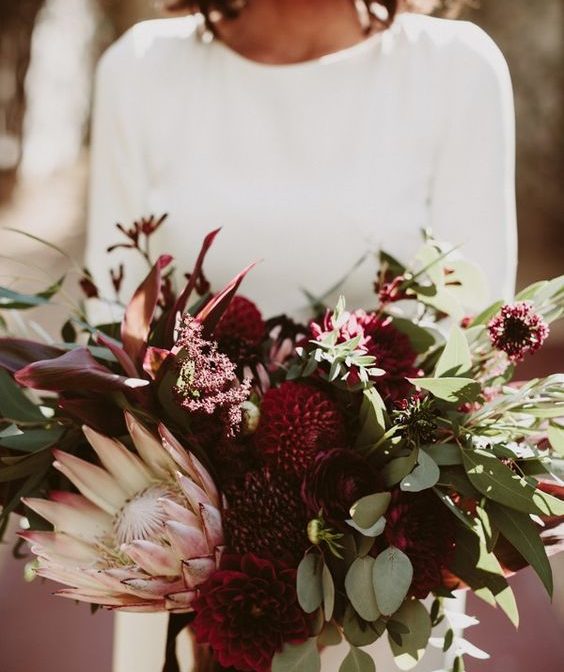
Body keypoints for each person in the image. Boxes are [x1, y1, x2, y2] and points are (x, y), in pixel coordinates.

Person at [86, 1, 517, 670]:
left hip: (381, 573)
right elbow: (112, 330)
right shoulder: (140, 69)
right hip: (185, 572)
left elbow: (472, 338)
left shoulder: (456, 69)